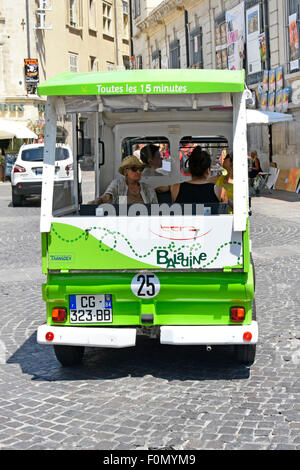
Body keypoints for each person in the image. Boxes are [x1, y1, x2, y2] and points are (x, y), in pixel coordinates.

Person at [88, 155, 158, 205]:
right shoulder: (118, 184)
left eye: (140, 169)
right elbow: (107, 196)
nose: (138, 172)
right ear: (125, 172)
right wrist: (96, 201)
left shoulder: (148, 188)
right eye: (134, 169)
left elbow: (155, 208)